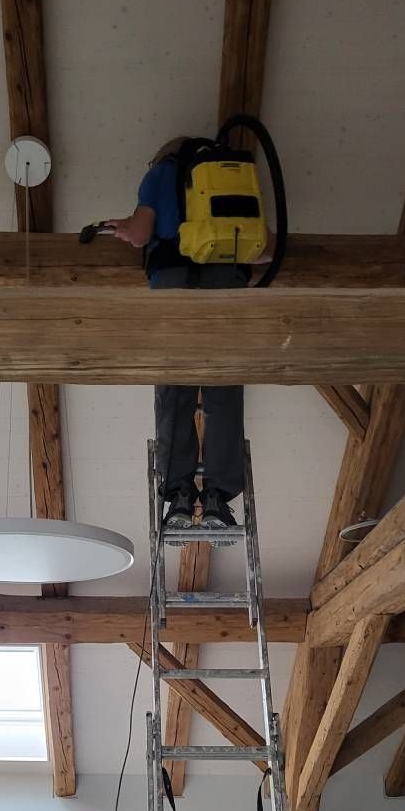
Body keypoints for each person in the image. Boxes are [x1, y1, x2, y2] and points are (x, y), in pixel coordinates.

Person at [107, 137, 272, 533]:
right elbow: (264, 249)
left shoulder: (159, 174)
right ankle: (218, 497)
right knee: (224, 392)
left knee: (174, 392)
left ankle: (179, 493)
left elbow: (143, 233)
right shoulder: (233, 177)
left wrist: (123, 229)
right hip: (225, 285)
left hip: (173, 285)